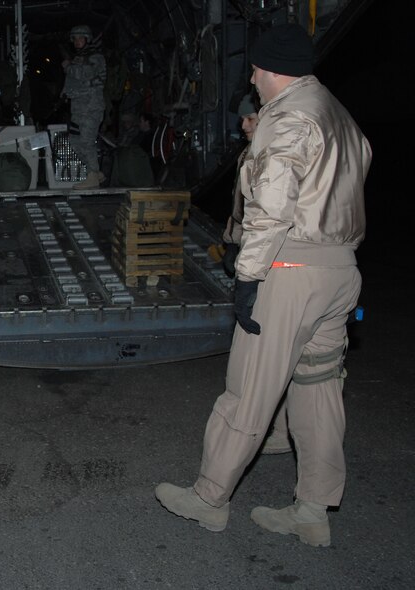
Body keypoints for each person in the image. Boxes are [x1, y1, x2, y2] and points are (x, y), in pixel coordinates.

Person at [155, 23, 371, 547]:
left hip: (291, 272)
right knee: (318, 388)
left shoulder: (289, 115)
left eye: (254, 68)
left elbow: (271, 207)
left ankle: (209, 499)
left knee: (249, 387)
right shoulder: (337, 114)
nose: (251, 77)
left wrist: (248, 276)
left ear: (272, 70)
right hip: (341, 271)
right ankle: (313, 510)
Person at [222, 93, 293, 456]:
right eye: (243, 120)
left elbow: (269, 217)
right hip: (251, 254)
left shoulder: (274, 156)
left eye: (250, 119)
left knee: (263, 360)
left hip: (271, 266)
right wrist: (230, 241)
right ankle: (277, 432)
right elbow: (241, 209)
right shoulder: (248, 155)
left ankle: (254, 434)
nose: (244, 126)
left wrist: (248, 271)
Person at [61, 24, 106, 189]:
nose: (77, 41)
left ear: (87, 39)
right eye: (75, 38)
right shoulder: (78, 58)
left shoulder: (96, 57)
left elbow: (85, 74)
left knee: (87, 141)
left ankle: (92, 175)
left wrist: (68, 67)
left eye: (81, 38)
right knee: (74, 141)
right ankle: (95, 172)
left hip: (91, 107)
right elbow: (74, 82)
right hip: (78, 109)